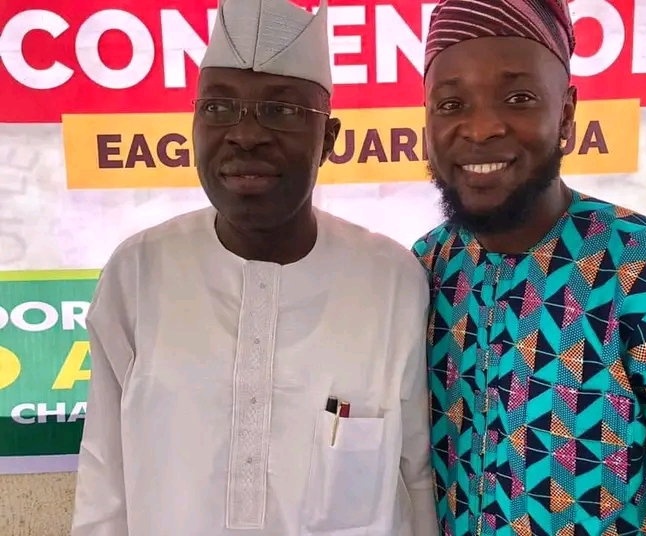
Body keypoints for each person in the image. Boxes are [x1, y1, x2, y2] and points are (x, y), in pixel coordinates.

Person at [70, 0, 438, 534]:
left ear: (329, 139)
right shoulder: (138, 273)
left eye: (282, 110)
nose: (245, 135)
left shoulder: (392, 282)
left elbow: (417, 477)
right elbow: (105, 485)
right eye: (218, 107)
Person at [411, 0, 646, 535]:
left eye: (519, 98)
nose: (481, 129)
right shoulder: (420, 272)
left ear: (567, 114)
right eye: (451, 103)